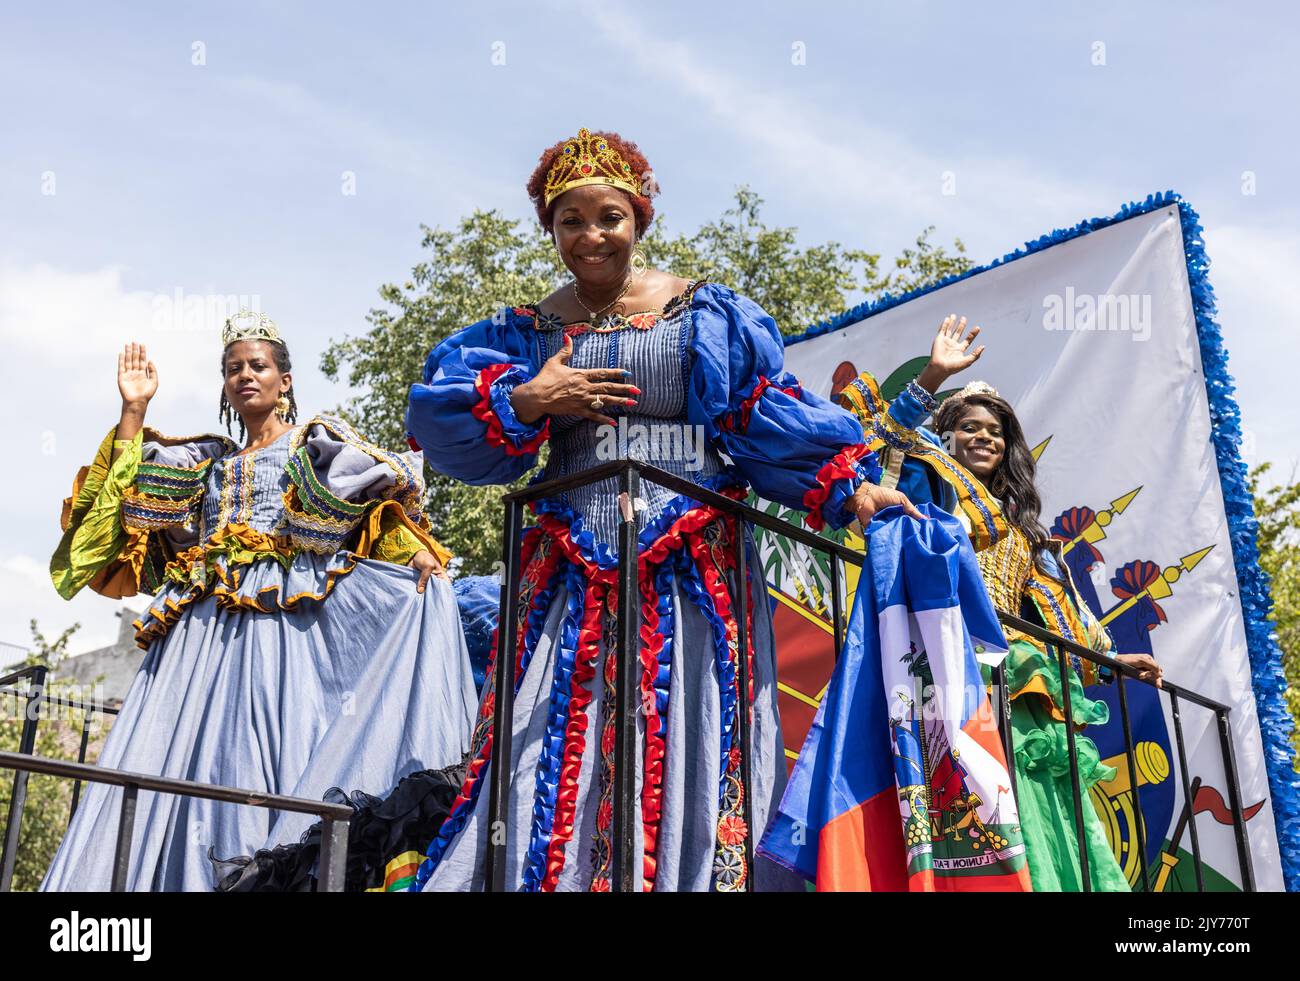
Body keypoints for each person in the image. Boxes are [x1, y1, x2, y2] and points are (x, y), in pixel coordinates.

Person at [405, 128, 916, 891]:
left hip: (689, 559)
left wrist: (852, 487)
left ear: (639, 219)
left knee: (689, 728)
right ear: (551, 230)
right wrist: (531, 397)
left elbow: (760, 417)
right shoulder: (525, 330)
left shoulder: (700, 313)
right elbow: (440, 420)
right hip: (570, 568)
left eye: (608, 216)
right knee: (544, 734)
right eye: (570, 220)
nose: (591, 235)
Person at [44, 312, 477, 891]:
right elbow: (113, 521)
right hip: (197, 640)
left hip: (286, 637)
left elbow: (376, 515)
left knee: (274, 753)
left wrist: (418, 554)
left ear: (285, 380)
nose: (245, 376)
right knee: (179, 762)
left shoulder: (316, 449)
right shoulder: (205, 465)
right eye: (233, 369)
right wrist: (134, 411)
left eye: (258, 366)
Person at [836, 321, 1162, 889]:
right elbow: (865, 447)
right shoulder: (928, 483)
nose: (985, 438)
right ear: (947, 436)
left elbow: (1067, 615)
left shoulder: (1024, 531)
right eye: (969, 427)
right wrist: (933, 375)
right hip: (943, 663)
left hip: (1021, 676)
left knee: (1043, 801)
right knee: (973, 802)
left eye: (996, 432)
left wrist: (1114, 661)